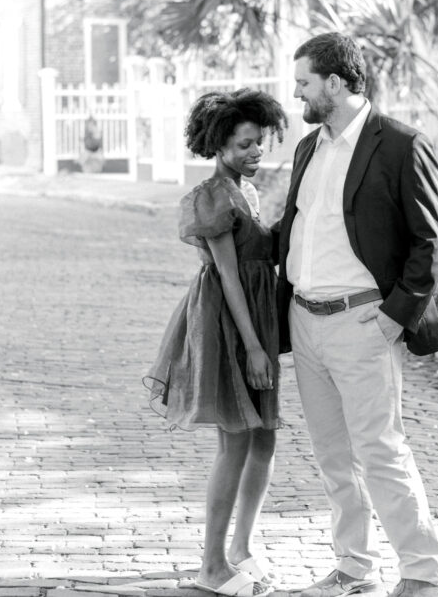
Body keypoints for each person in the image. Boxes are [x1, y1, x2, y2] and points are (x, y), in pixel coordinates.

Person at [275, 33, 438, 597]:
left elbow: (431, 240)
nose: (295, 91)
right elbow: (297, 228)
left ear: (334, 82)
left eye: (303, 81)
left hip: (362, 323)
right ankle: (354, 568)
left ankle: (424, 574)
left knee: (379, 450)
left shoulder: (400, 144)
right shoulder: (310, 147)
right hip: (306, 320)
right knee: (332, 456)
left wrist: (394, 318)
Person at [144, 89, 287, 597]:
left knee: (263, 437)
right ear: (220, 145)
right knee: (236, 439)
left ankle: (240, 550)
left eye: (259, 142)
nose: (256, 152)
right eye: (245, 145)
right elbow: (228, 276)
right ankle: (211, 567)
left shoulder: (243, 191)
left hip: (253, 318)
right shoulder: (215, 196)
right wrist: (251, 346)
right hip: (229, 323)